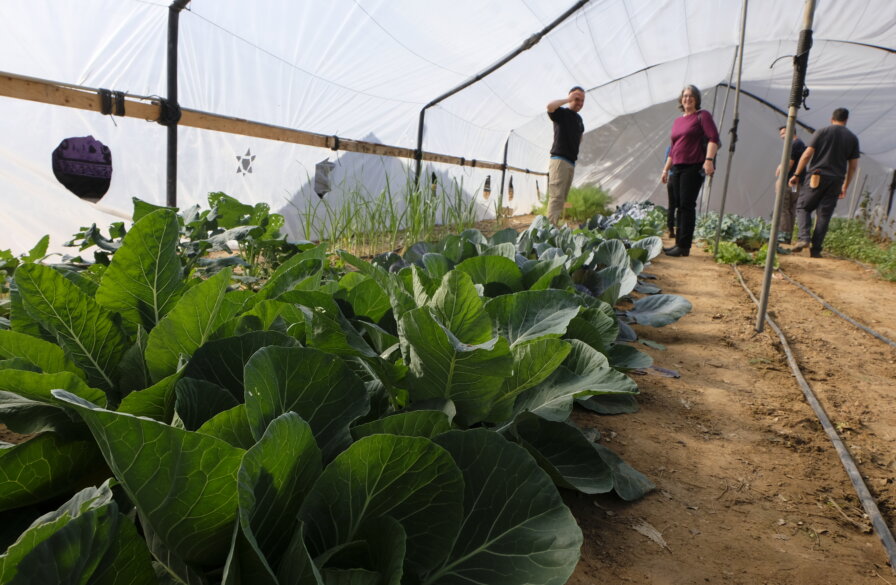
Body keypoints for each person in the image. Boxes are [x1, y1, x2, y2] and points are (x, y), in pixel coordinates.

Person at [788, 108, 859, 258]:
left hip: (817, 176)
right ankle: (816, 250)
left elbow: (807, 154)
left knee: (803, 207)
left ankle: (804, 238)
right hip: (836, 180)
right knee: (824, 215)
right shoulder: (852, 138)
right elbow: (853, 166)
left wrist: (796, 174)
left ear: (831, 118)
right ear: (846, 120)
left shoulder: (822, 132)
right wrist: (845, 186)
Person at [660, 85, 720, 256]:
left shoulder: (702, 116)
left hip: (693, 166)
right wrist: (665, 170)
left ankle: (684, 246)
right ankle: (679, 243)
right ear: (681, 99)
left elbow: (713, 138)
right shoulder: (678, 121)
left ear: (696, 99)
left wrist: (708, 160)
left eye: (691, 96)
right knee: (679, 205)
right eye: (685, 96)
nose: (688, 98)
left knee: (687, 205)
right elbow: (673, 149)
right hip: (677, 167)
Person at [546, 86, 586, 224]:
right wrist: (567, 100)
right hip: (559, 160)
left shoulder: (579, 120)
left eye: (582, 100)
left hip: (570, 162)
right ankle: (548, 230)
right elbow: (550, 106)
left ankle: (554, 227)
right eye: (576, 99)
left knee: (562, 198)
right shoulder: (561, 113)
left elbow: (580, 137)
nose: (580, 103)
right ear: (570, 98)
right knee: (556, 197)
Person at [774, 126, 807, 244]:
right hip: (795, 184)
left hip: (789, 182)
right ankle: (787, 235)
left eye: (783, 133)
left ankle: (783, 236)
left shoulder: (794, 144)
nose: (782, 137)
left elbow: (789, 163)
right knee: (791, 208)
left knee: (783, 207)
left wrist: (781, 179)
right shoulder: (799, 144)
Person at [663, 145, 677, 238]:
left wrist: (665, 171)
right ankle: (679, 231)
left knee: (671, 206)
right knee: (681, 206)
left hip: (672, 178)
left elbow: (666, 162)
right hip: (679, 178)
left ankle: (670, 229)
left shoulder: (670, 148)